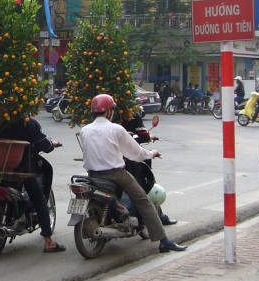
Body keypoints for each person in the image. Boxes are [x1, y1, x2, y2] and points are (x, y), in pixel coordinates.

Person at [79, 94, 186, 253]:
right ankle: (163, 241)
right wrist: (151, 153)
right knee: (144, 200)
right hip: (115, 174)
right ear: (109, 111)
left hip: (93, 176)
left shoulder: (84, 130)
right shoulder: (115, 129)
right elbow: (136, 153)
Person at [0, 115, 65, 252]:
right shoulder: (29, 123)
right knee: (40, 200)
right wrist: (52, 144)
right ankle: (48, 241)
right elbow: (44, 144)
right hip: (22, 168)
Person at [122, 111, 176, 226]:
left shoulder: (96, 123)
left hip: (107, 163)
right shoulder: (132, 114)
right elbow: (141, 137)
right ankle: (161, 233)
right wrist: (150, 147)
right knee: (143, 190)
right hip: (128, 162)